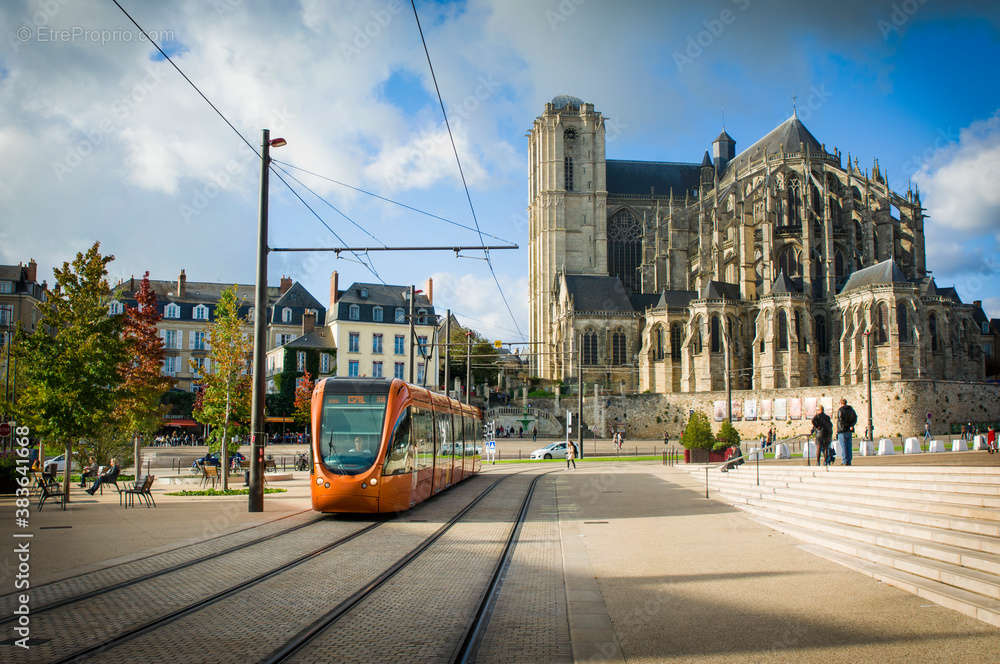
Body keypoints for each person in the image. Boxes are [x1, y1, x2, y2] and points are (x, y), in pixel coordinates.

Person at [836, 398, 857, 466]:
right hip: (849, 430)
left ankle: (845, 461)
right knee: (849, 446)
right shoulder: (851, 410)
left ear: (841, 403)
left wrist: (846, 425)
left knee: (843, 446)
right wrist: (851, 425)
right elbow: (855, 418)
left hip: (842, 430)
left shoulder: (840, 410)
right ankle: (849, 460)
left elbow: (841, 420)